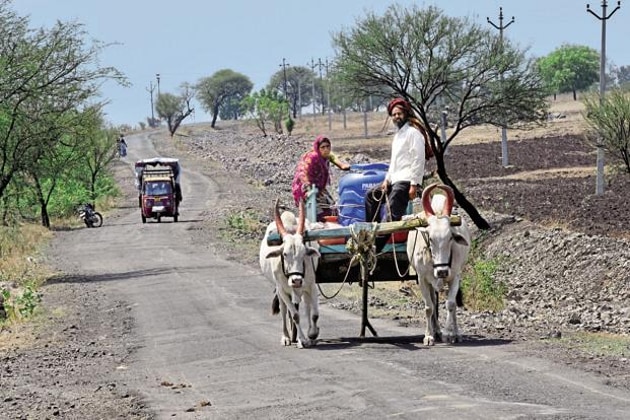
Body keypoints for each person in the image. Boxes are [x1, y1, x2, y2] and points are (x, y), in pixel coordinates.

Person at [364, 98, 427, 224]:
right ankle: (371, 231)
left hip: (406, 181)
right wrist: (387, 179)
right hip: (394, 180)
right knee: (371, 196)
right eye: (394, 115)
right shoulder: (398, 136)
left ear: (406, 114)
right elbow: (394, 162)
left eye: (399, 113)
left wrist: (414, 185)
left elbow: (418, 159)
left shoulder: (413, 133)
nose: (397, 116)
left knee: (391, 212)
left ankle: (377, 243)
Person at [291, 135, 351, 222]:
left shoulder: (327, 155)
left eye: (328, 146)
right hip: (306, 188)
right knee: (317, 211)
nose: (326, 149)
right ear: (318, 148)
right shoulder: (312, 157)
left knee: (332, 207)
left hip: (319, 187)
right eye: (323, 147)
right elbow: (302, 171)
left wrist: (343, 166)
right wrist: (309, 188)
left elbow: (334, 158)